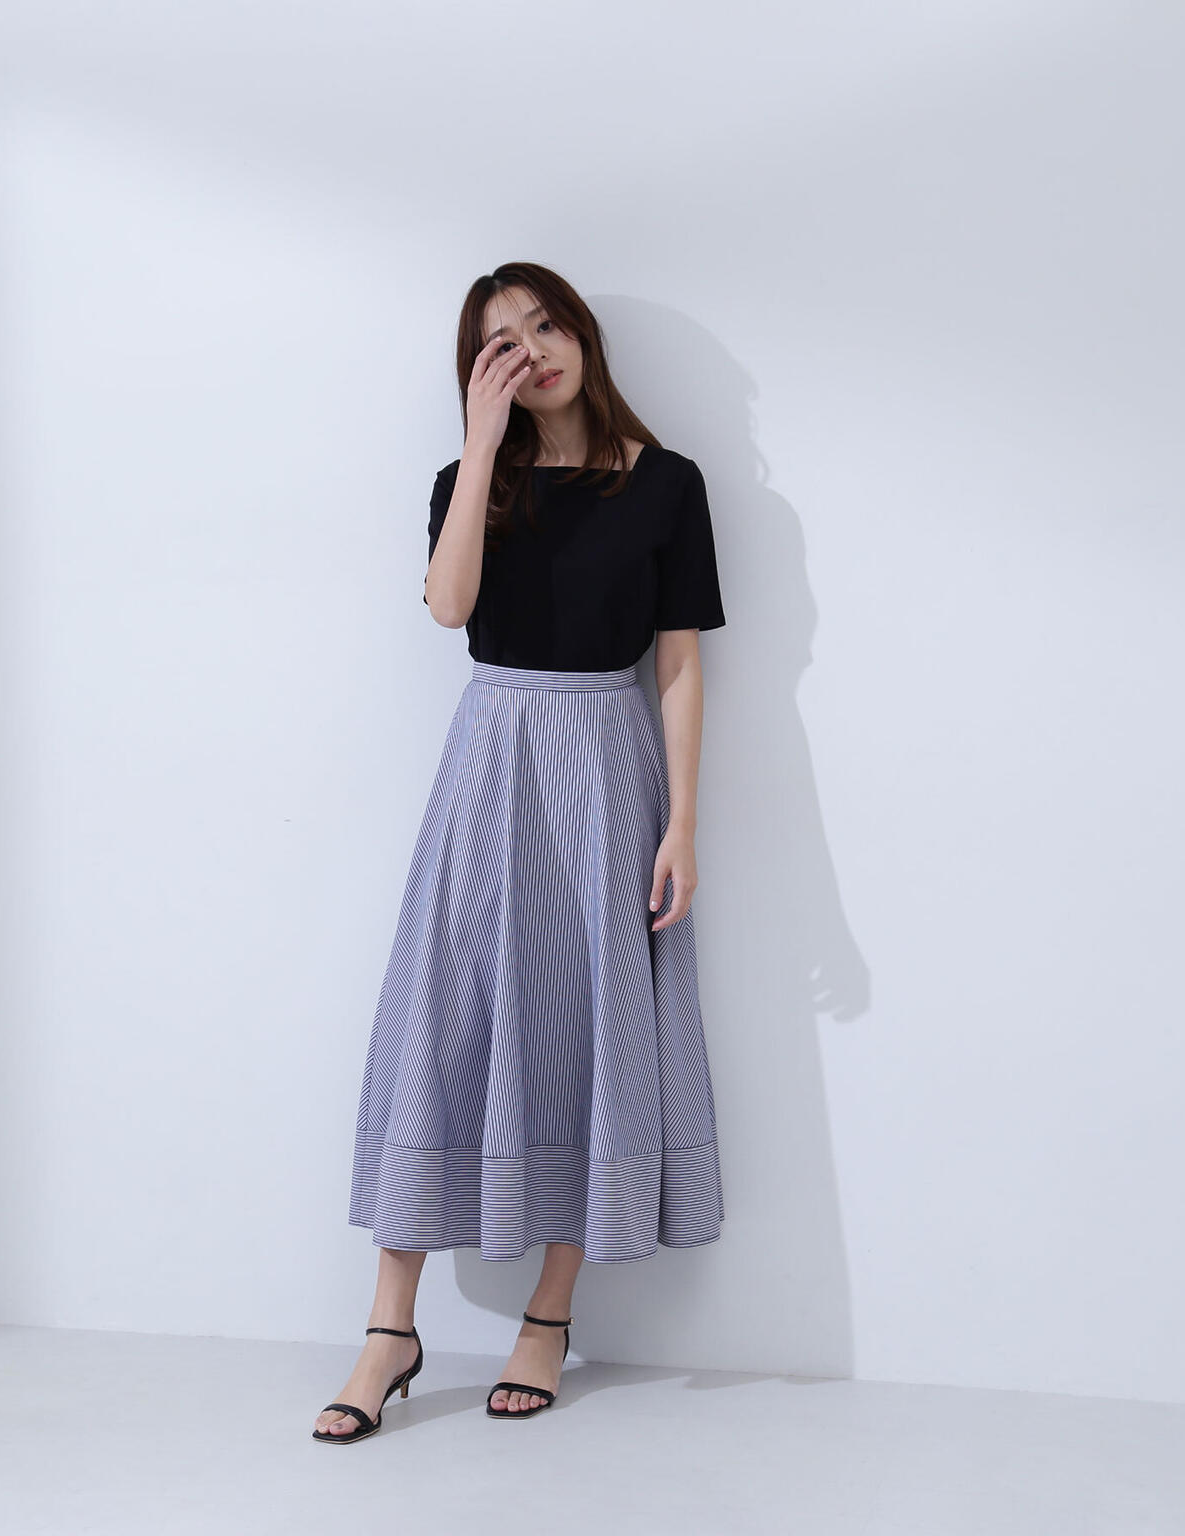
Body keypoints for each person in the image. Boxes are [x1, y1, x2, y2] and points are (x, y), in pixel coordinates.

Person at [313, 262, 727, 1443]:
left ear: (580, 333)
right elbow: (449, 609)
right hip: (489, 763)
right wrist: (482, 442)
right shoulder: (467, 482)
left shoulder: (666, 484)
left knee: (585, 1024)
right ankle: (389, 1329)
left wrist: (681, 823)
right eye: (501, 342)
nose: (531, 351)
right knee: (440, 1019)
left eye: (544, 325)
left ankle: (548, 1316)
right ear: (477, 371)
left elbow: (678, 659)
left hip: (606, 771)